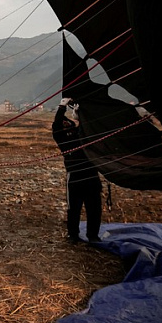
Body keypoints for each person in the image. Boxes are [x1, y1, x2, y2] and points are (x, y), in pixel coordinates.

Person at [52, 98, 102, 243]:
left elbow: (88, 123)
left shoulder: (82, 132)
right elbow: (56, 125)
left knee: (94, 209)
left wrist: (79, 111)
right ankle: (73, 235)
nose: (65, 122)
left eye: (68, 121)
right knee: (73, 209)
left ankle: (93, 236)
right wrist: (62, 107)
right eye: (63, 122)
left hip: (92, 175)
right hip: (75, 178)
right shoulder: (62, 138)